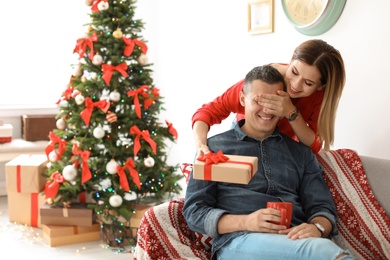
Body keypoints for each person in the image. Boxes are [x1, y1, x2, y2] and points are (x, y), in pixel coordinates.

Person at [183, 65, 353, 260]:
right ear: (242, 99)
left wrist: (317, 227)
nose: (267, 109)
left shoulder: (301, 154)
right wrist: (246, 222)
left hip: (293, 237)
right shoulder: (213, 148)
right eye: (258, 100)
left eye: (274, 102)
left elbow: (322, 207)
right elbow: (194, 212)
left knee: (318, 247)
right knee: (322, 251)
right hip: (239, 241)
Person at [192, 39, 346, 155]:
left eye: (308, 83)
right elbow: (208, 112)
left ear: (320, 86)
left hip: (279, 144)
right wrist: (201, 145)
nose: (296, 85)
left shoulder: (319, 97)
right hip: (244, 135)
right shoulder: (263, 82)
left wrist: (291, 112)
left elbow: (314, 144)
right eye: (294, 72)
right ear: (291, 60)